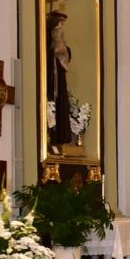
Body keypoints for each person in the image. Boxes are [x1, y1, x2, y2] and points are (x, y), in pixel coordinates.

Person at [45, 10, 73, 153]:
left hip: (59, 80)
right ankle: (51, 138)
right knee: (51, 105)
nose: (61, 27)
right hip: (50, 79)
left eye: (63, 24)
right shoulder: (47, 38)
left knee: (60, 105)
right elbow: (45, 55)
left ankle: (60, 140)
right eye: (59, 23)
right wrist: (53, 52)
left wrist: (64, 51)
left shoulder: (59, 38)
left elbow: (67, 54)